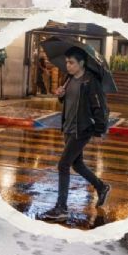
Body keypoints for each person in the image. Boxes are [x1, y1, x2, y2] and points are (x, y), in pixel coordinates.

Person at [41, 47, 111, 222]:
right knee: (77, 164)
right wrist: (61, 95)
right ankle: (101, 187)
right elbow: (69, 101)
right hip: (69, 127)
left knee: (63, 165)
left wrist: (99, 131)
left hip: (83, 128)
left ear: (81, 63)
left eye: (71, 62)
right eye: (66, 62)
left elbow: (99, 108)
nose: (68, 65)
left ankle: (61, 208)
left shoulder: (90, 81)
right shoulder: (69, 78)